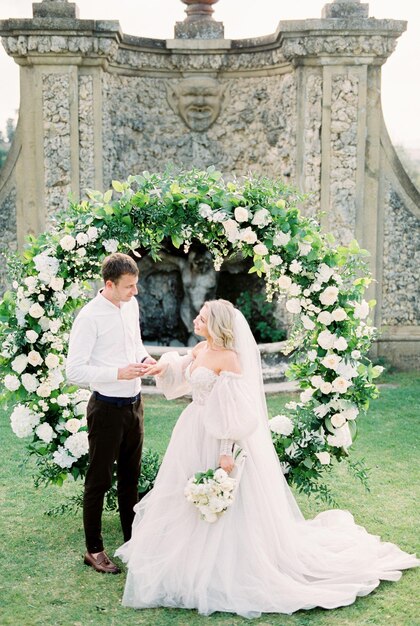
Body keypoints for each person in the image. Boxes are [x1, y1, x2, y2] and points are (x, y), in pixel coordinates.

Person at [115, 299, 418, 617]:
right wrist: (159, 366)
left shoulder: (230, 358)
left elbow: (232, 410)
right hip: (192, 429)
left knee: (224, 499)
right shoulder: (202, 348)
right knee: (185, 492)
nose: (195, 320)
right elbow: (181, 365)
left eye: (201, 318)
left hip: (218, 434)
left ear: (215, 324)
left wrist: (225, 453)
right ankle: (184, 555)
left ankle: (226, 561)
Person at [66, 252, 155, 574]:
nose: (135, 292)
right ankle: (94, 550)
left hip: (135, 405)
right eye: (129, 286)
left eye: (135, 285)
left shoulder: (131, 305)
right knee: (99, 481)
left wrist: (146, 361)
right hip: (105, 408)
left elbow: (136, 344)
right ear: (109, 284)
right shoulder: (89, 317)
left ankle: (131, 543)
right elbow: (74, 371)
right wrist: (118, 373)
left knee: (131, 479)